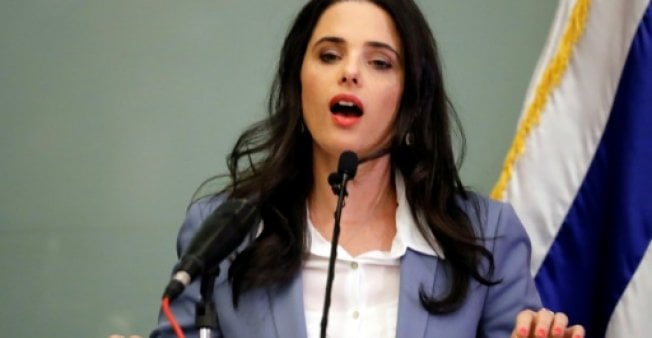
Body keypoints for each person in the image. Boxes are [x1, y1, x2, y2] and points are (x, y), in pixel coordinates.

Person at [149, 1, 586, 337]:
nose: (350, 73)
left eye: (379, 62)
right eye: (329, 55)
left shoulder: (487, 237)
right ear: (298, 85)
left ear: (412, 102)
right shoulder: (222, 232)